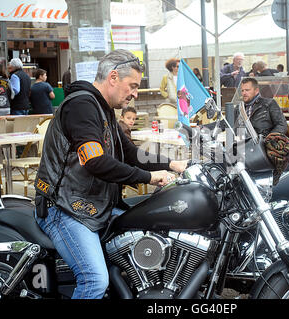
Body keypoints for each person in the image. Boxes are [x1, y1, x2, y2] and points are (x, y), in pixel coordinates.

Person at [34, 49, 187, 299]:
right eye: (133, 86)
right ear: (113, 77)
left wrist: (174, 165)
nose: (135, 94)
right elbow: (94, 161)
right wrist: (149, 177)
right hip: (63, 208)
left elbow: (130, 153)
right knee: (94, 280)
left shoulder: (103, 109)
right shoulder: (81, 106)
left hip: (93, 205)